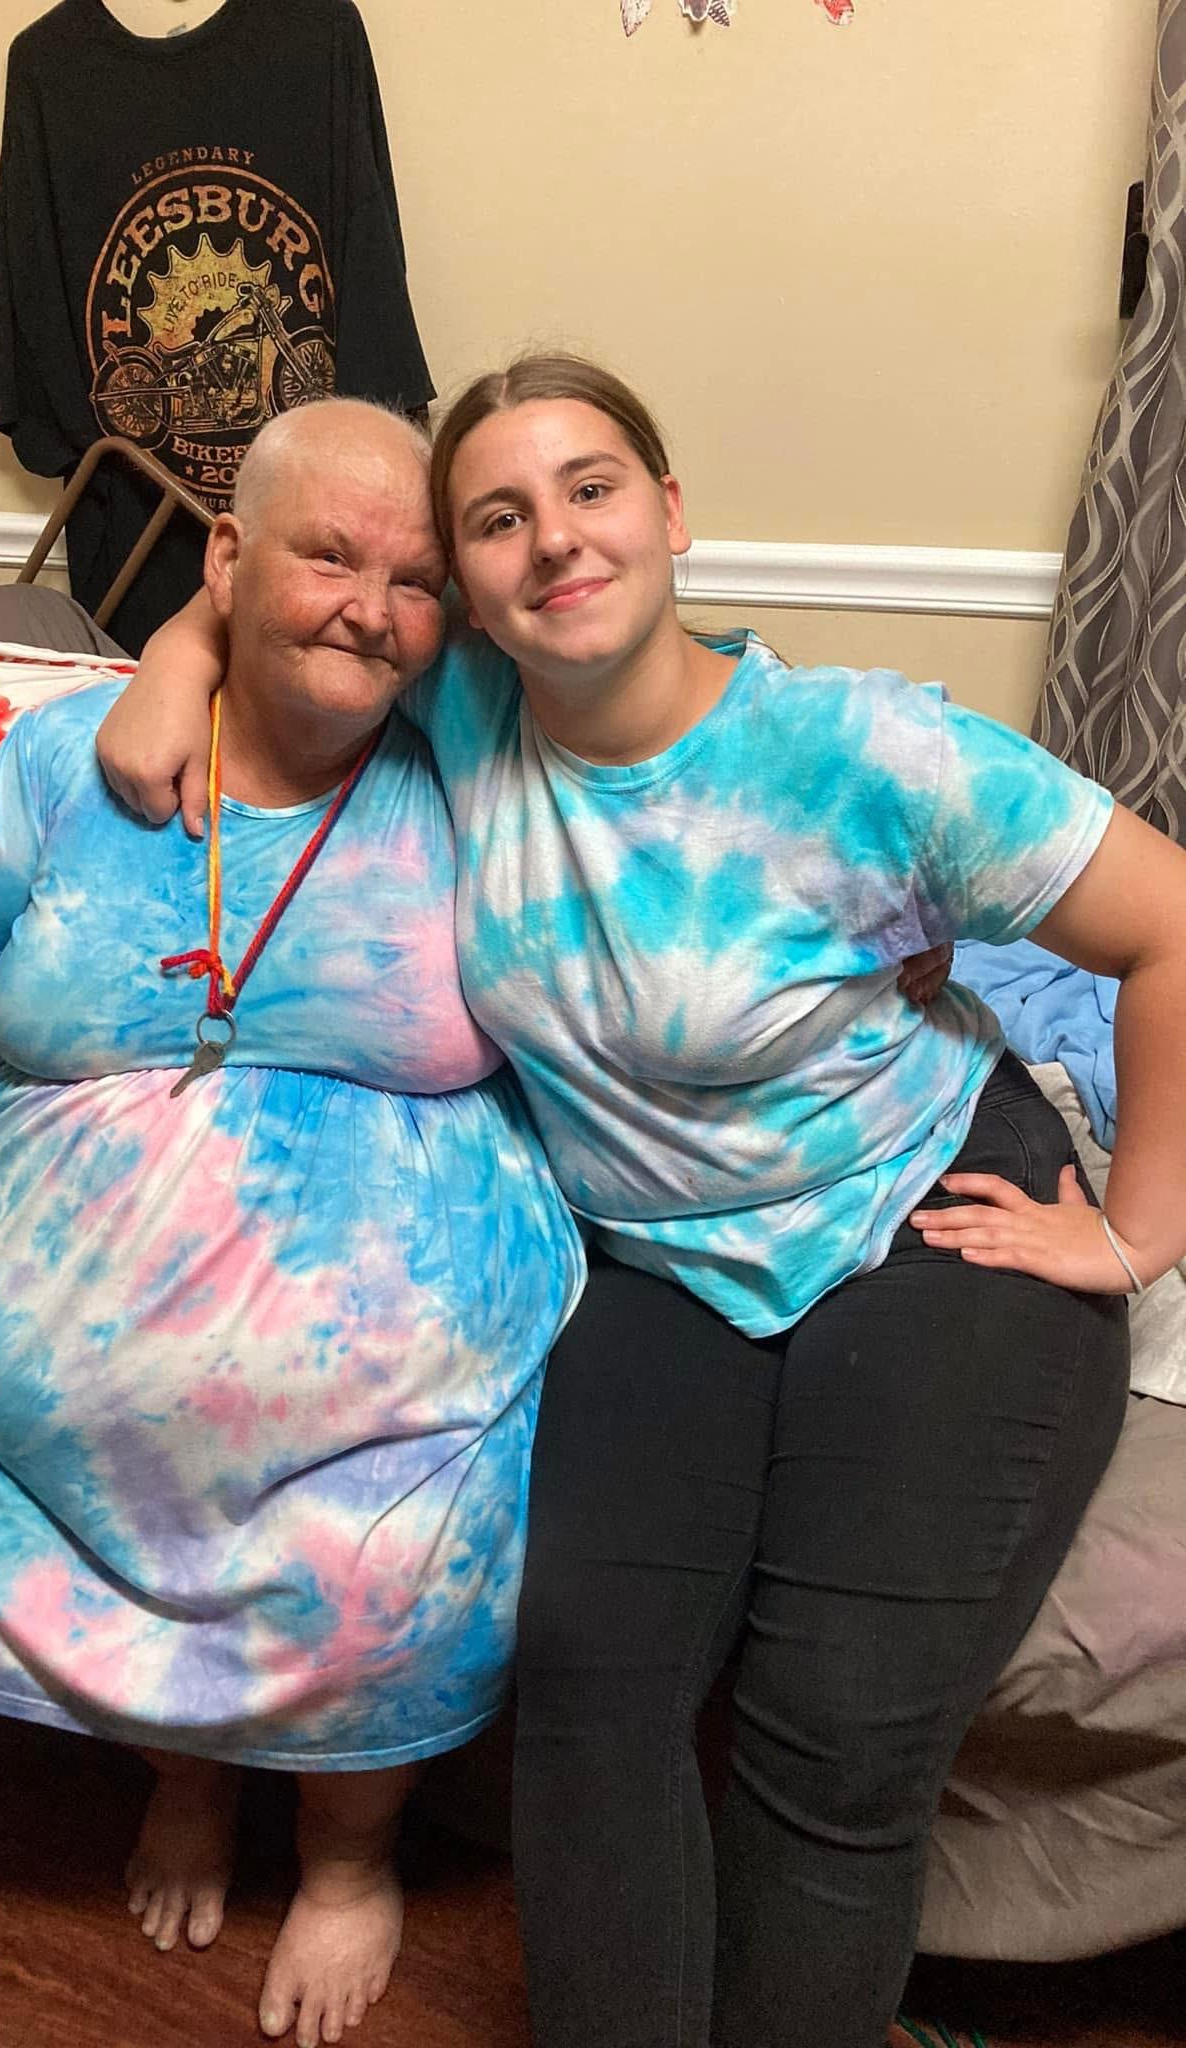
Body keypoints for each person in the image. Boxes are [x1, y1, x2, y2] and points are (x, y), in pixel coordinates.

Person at [95, 353, 1186, 2048]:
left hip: (918, 1213)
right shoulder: (465, 705)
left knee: (834, 1727)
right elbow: (283, 610)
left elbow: (1167, 924)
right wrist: (171, 665)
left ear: (669, 513)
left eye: (591, 488)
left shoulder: (865, 751)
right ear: (465, 590)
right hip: (657, 1263)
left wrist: (1136, 1229)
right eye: (499, 519)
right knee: (592, 1706)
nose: (554, 539)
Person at [0, 399, 584, 2048]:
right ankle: (188, 1778)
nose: (370, 608)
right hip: (47, 1320)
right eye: (329, 557)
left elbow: (668, 691)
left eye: (416, 580)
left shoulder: (475, 762)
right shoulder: (61, 766)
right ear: (227, 558)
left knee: (403, 1551)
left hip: (395, 1366)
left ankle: (350, 1855)